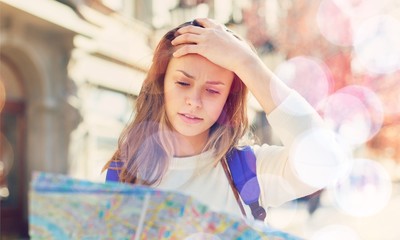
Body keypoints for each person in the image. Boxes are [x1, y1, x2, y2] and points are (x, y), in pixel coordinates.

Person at [104, 18, 341, 221]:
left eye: (213, 91)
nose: (194, 101)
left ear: (227, 100)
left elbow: (324, 160)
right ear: (161, 84)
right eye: (183, 83)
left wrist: (245, 62)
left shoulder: (249, 171)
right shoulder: (124, 174)